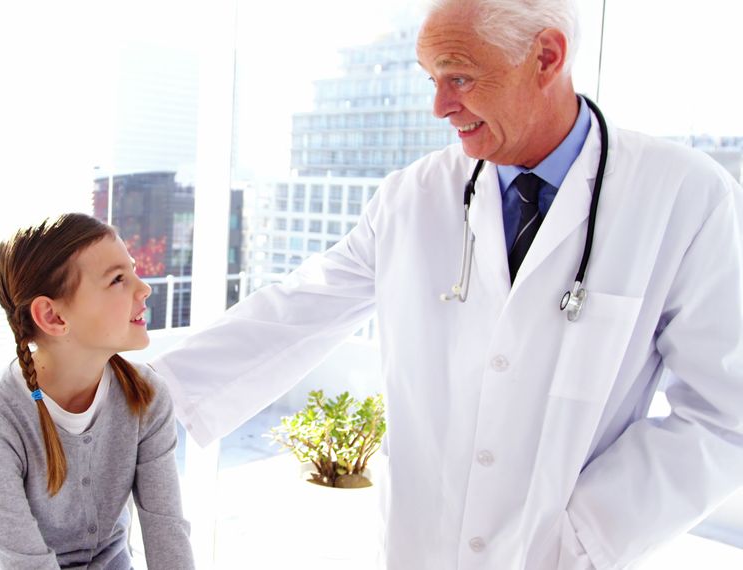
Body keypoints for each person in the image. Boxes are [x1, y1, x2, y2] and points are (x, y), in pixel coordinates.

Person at [152, 0, 743, 568]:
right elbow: (296, 310)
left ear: (546, 57)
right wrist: (135, 393)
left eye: (459, 77)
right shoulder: (413, 197)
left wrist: (589, 537)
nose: (439, 106)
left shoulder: (684, 196)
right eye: (432, 79)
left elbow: (721, 415)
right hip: (420, 549)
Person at [0, 213, 194, 569]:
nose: (144, 289)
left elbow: (167, 533)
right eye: (117, 279)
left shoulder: (147, 396)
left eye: (132, 271)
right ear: (52, 316)